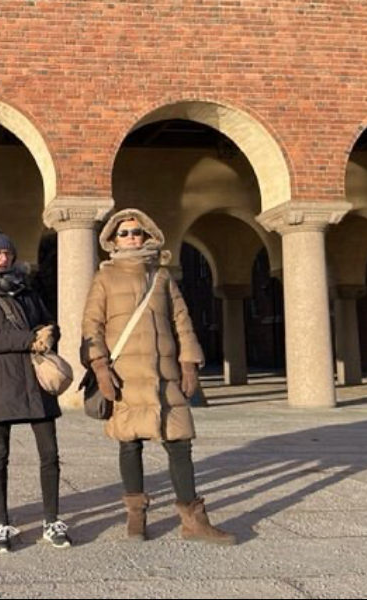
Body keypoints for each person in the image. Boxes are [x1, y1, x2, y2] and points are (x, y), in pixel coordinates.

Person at [80, 208, 236, 545]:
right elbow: (92, 324)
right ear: (112, 239)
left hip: (165, 374)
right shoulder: (104, 276)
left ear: (147, 234)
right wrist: (100, 367)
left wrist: (189, 363)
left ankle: (193, 520)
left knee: (180, 444)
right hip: (125, 374)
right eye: (124, 233)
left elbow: (182, 320)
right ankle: (136, 514)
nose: (131, 237)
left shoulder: (162, 277)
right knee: (130, 443)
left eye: (136, 231)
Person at [0, 230, 72, 553]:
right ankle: (1, 523)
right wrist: (29, 339)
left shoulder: (28, 291)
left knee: (50, 454)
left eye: (6, 253)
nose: (2, 259)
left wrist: (51, 332)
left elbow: (48, 322)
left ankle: (51, 520)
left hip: (35, 382)